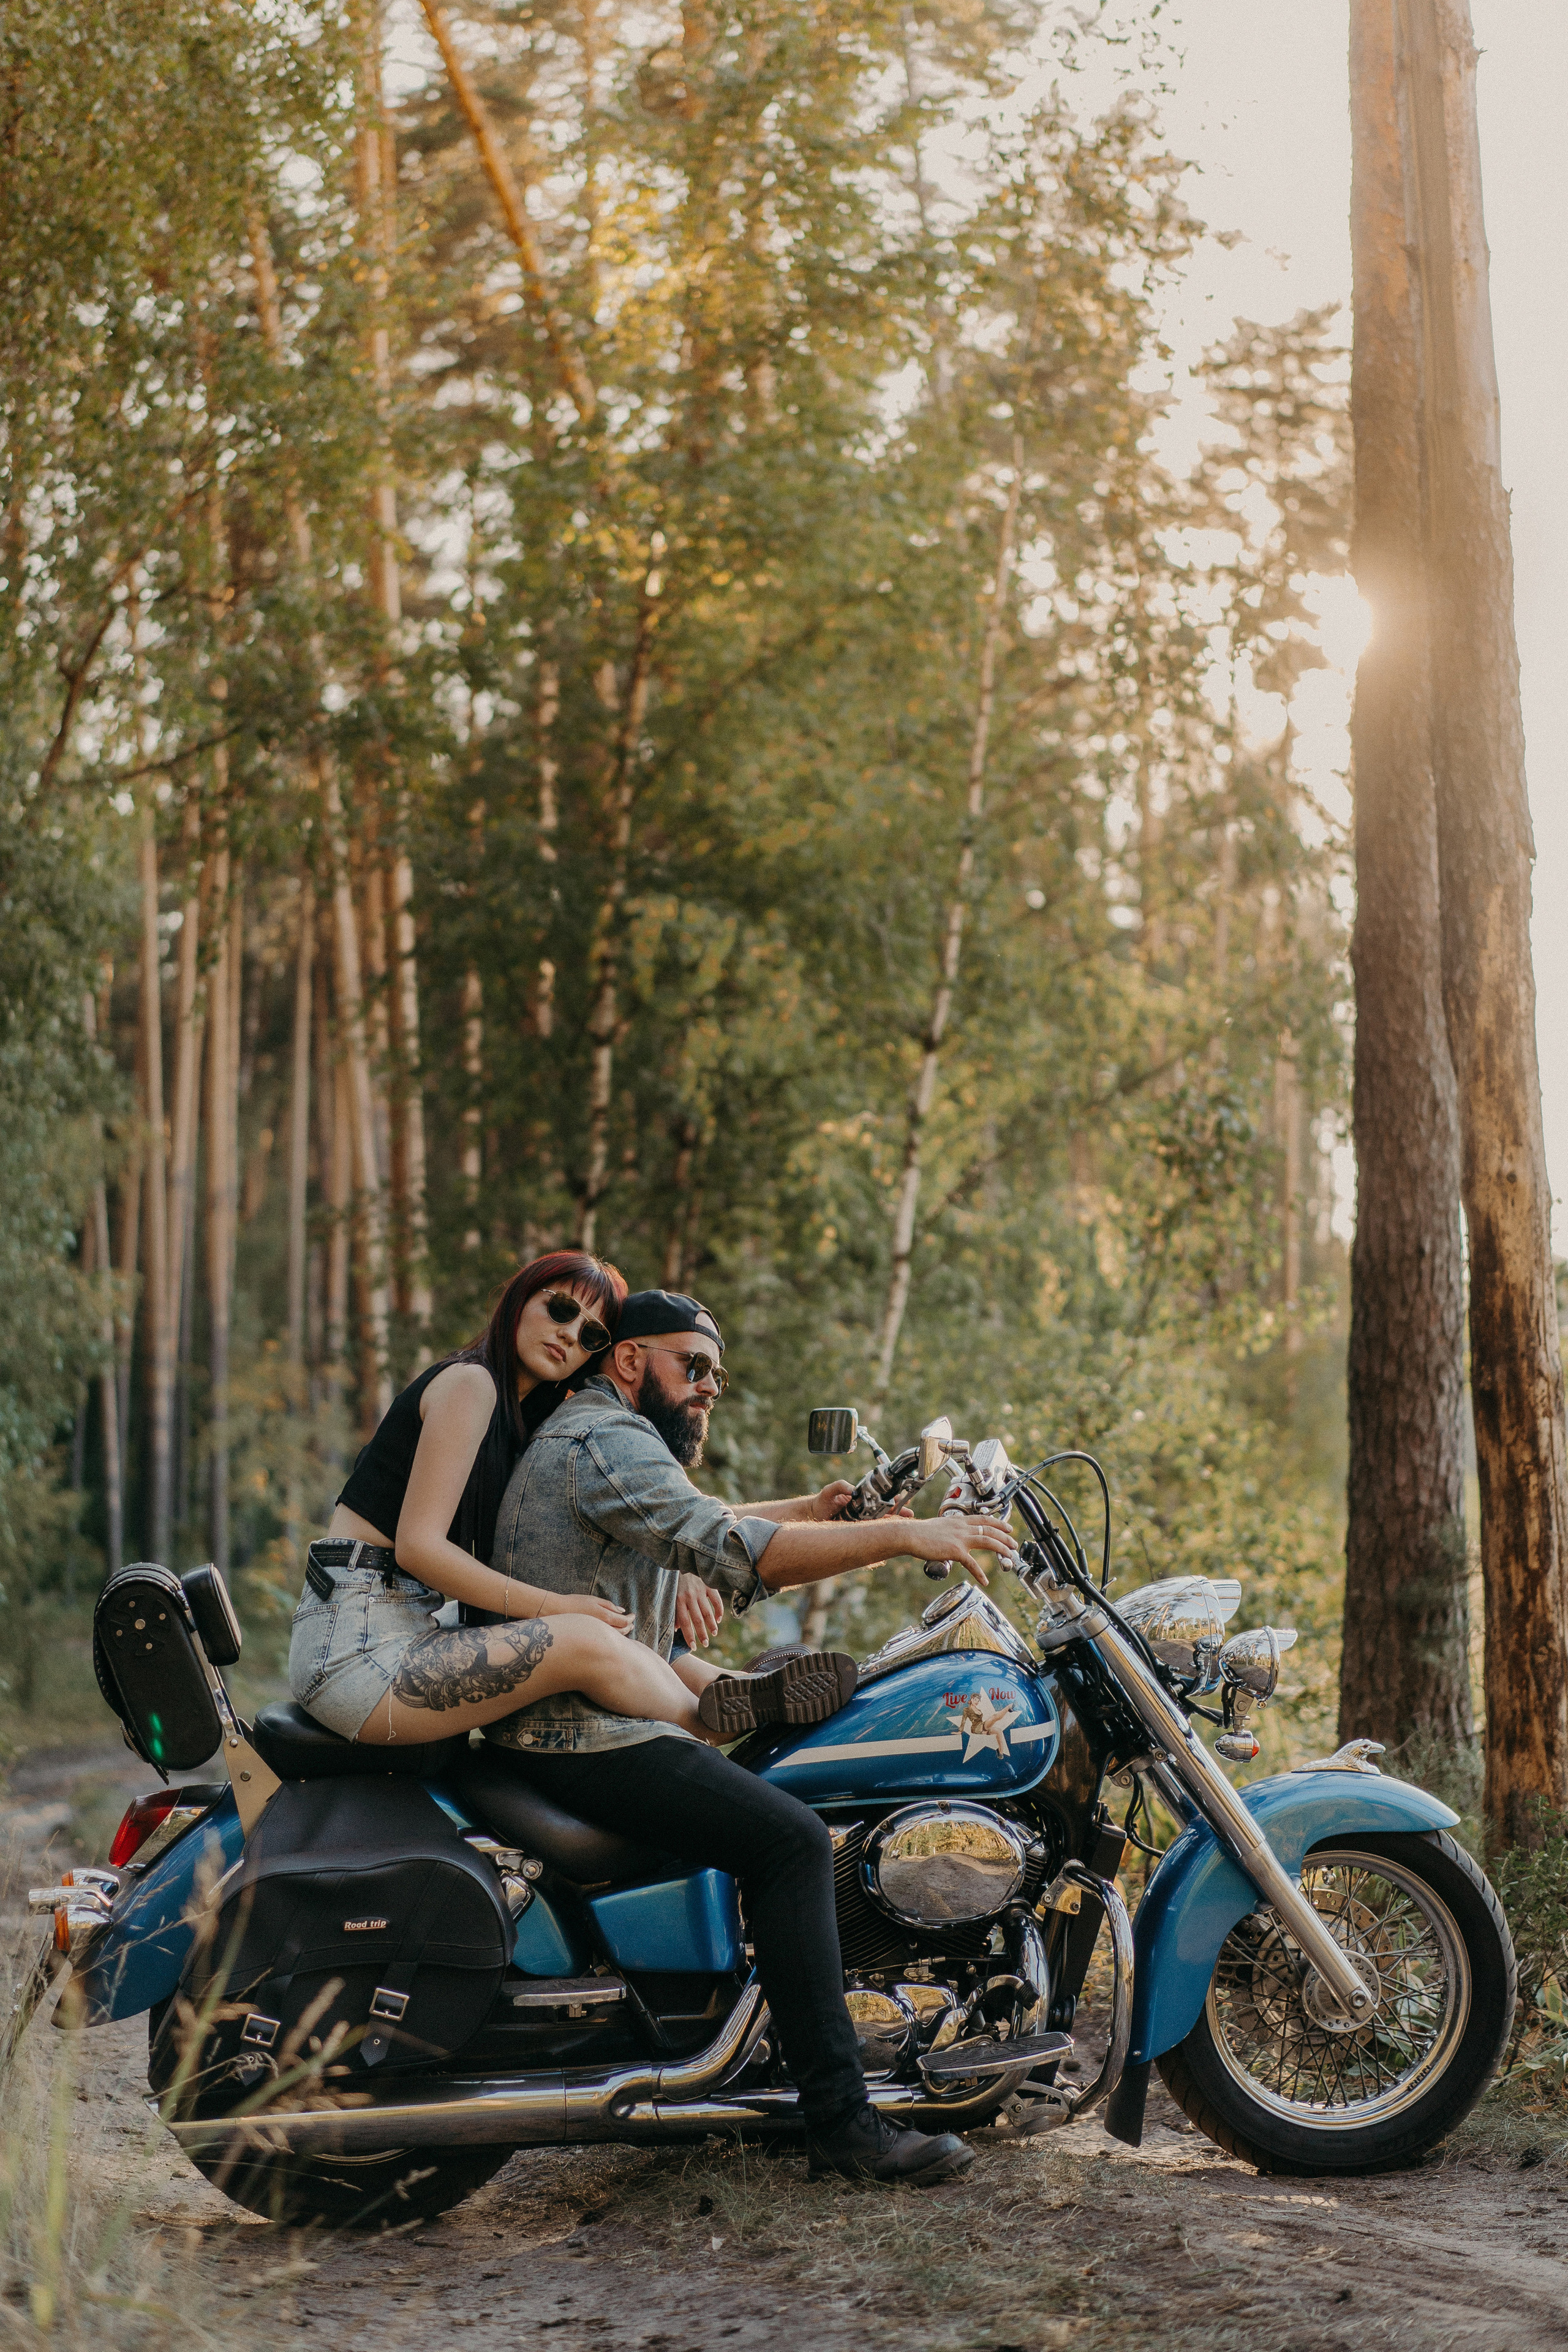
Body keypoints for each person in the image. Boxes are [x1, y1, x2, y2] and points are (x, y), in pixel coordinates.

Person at [481, 1287, 1020, 2187]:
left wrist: (814, 1509)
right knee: (789, 1839)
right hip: (581, 1733)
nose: (706, 1388)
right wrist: (904, 1536)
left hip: (597, 1710)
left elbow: (712, 1524)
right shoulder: (602, 1437)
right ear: (627, 1361)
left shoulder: (610, 1438)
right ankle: (842, 2125)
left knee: (783, 1795)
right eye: (690, 1366)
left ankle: (776, 2042)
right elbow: (728, 1543)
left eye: (716, 1378)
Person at [287, 1254, 854, 1749]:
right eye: (560, 1309)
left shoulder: (528, 1417)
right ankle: (711, 1724)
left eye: (591, 1336)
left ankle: (734, 1688)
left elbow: (675, 1519)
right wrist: (553, 1608)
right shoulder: (471, 1384)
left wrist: (806, 1511)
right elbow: (418, 1548)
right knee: (585, 1634)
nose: (568, 1335)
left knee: (616, 1622)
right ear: (519, 1298)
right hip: (356, 1653)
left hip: (413, 1631)